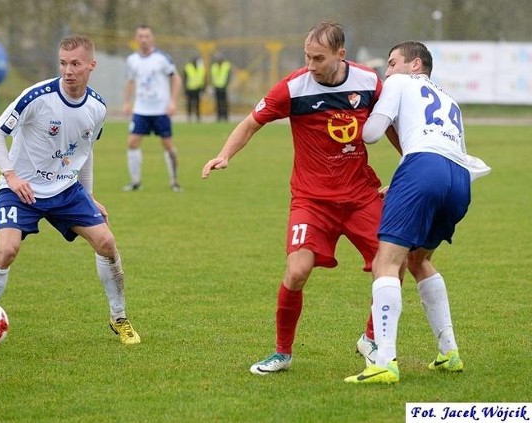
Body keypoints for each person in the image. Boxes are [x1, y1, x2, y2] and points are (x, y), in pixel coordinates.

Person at [202, 21, 385, 375]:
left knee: (391, 264)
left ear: (340, 55)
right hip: (311, 200)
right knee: (297, 270)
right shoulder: (293, 87)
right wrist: (225, 154)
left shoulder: (368, 83)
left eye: (319, 58)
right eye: (307, 56)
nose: (311, 65)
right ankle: (282, 353)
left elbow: (391, 123)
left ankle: (371, 339)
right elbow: (251, 122)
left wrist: (409, 163)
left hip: (361, 195)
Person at [0, 34, 141, 346]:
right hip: (21, 190)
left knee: (106, 242)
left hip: (66, 190)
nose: (68, 70)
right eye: (63, 63)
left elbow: (86, 151)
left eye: (76, 64)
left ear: (91, 65)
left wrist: (89, 195)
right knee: (7, 250)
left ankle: (118, 317)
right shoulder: (35, 97)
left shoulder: (97, 108)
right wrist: (10, 176)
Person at [345, 41, 490, 384]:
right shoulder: (449, 100)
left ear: (415, 66)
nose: (387, 71)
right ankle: (449, 352)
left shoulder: (398, 83)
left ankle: (383, 360)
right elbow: (446, 148)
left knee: (386, 262)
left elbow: (371, 135)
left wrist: (371, 112)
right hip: (459, 180)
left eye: (393, 63)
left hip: (423, 168)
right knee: (418, 260)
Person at [122, 25, 182, 192]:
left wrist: (173, 102)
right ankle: (135, 182)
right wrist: (127, 102)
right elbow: (130, 81)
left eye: (147, 36)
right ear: (136, 38)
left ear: (152, 38)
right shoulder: (132, 60)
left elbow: (176, 79)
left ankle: (174, 182)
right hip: (141, 110)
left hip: (161, 110)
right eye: (140, 36)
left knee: (168, 145)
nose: (144, 39)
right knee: (132, 143)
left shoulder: (162, 58)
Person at [210, 53, 232, 122]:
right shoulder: (214, 66)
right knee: (218, 103)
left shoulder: (226, 66)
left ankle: (225, 116)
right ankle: (219, 116)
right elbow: (212, 76)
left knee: (224, 103)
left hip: (223, 87)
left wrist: (226, 84)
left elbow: (229, 76)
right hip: (216, 87)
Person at [183, 56, 205, 122]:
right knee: (189, 103)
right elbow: (185, 79)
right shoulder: (188, 67)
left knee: (197, 104)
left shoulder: (201, 68)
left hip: (198, 88)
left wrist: (203, 88)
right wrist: (185, 89)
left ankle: (198, 116)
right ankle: (189, 116)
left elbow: (203, 78)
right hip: (190, 88)